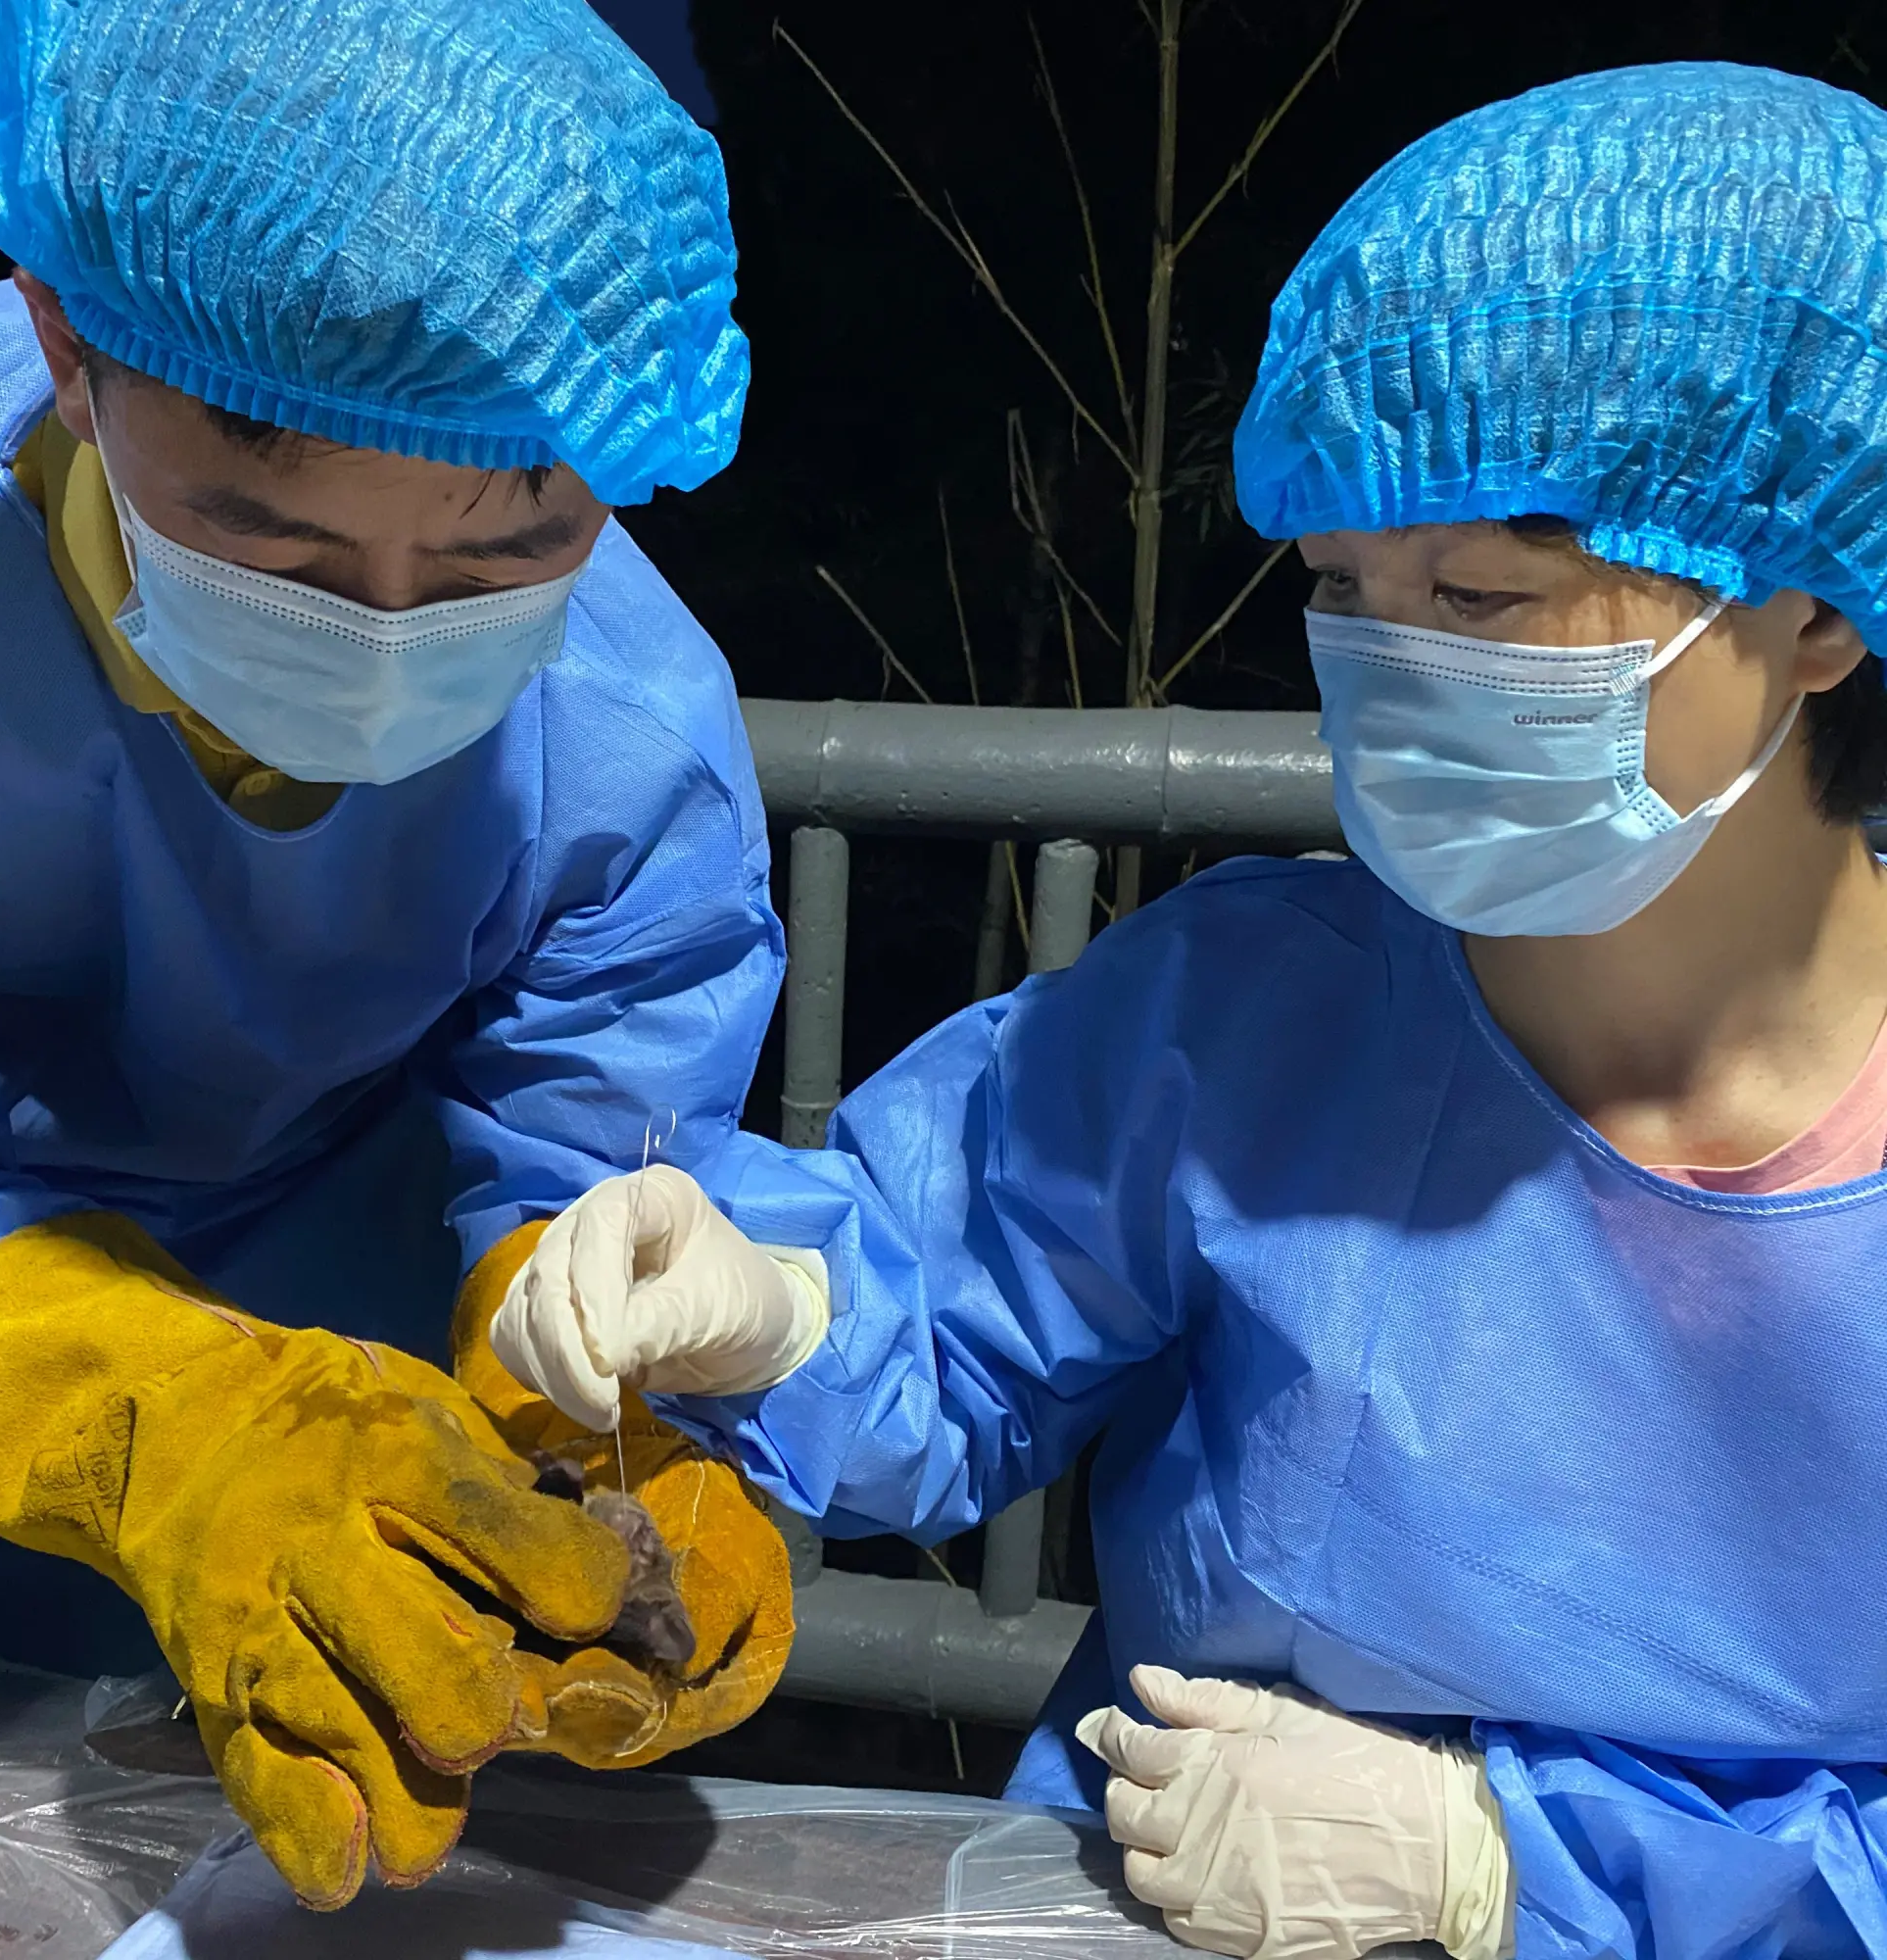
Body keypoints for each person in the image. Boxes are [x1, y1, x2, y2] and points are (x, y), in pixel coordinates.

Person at [489, 62, 1887, 1960]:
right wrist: (779, 1306)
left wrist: (1524, 1867)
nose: (1396, 672)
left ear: (1811, 610)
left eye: (1483, 594)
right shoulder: (1255, 1011)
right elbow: (950, 1318)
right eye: (1344, 590)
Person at [0, 0, 796, 1914]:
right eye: (274, 551)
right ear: (70, 342)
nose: (390, 636)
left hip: (336, 1426)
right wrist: (163, 1415)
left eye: (504, 552)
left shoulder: (633, 736)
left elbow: (587, 1172)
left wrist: (601, 1427)